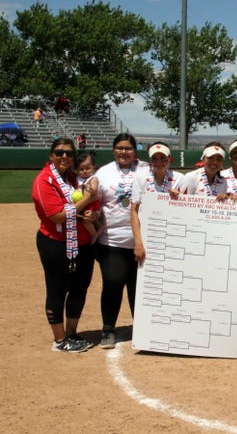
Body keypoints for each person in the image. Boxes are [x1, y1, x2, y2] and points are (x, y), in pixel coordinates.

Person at [32, 138, 98, 352]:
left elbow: (85, 208)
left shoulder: (73, 177)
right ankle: (60, 340)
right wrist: (87, 199)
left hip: (82, 244)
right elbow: (57, 216)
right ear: (51, 155)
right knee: (57, 290)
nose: (64, 157)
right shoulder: (44, 180)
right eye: (59, 152)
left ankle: (72, 333)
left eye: (69, 153)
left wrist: (92, 212)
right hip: (56, 243)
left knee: (79, 288)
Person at [95, 133, 150, 349]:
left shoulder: (146, 169)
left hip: (144, 241)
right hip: (113, 241)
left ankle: (143, 329)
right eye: (119, 148)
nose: (123, 152)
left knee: (140, 288)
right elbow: (93, 200)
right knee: (113, 284)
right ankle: (108, 329)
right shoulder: (104, 172)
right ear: (113, 150)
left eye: (128, 148)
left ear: (135, 150)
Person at [131, 142, 183, 265]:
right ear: (150, 161)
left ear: (170, 159)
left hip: (173, 237)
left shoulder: (180, 178)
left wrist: (179, 199)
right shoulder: (140, 177)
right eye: (154, 159)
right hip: (147, 237)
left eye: (163, 158)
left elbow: (188, 210)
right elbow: (134, 211)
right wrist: (138, 243)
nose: (159, 162)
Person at [74, 151, 101, 242]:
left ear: (93, 167)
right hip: (85, 202)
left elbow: (95, 189)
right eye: (81, 169)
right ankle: (99, 227)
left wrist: (90, 188)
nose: (84, 171)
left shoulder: (93, 178)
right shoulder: (78, 178)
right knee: (88, 218)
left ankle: (94, 234)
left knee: (85, 220)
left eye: (88, 168)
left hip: (92, 203)